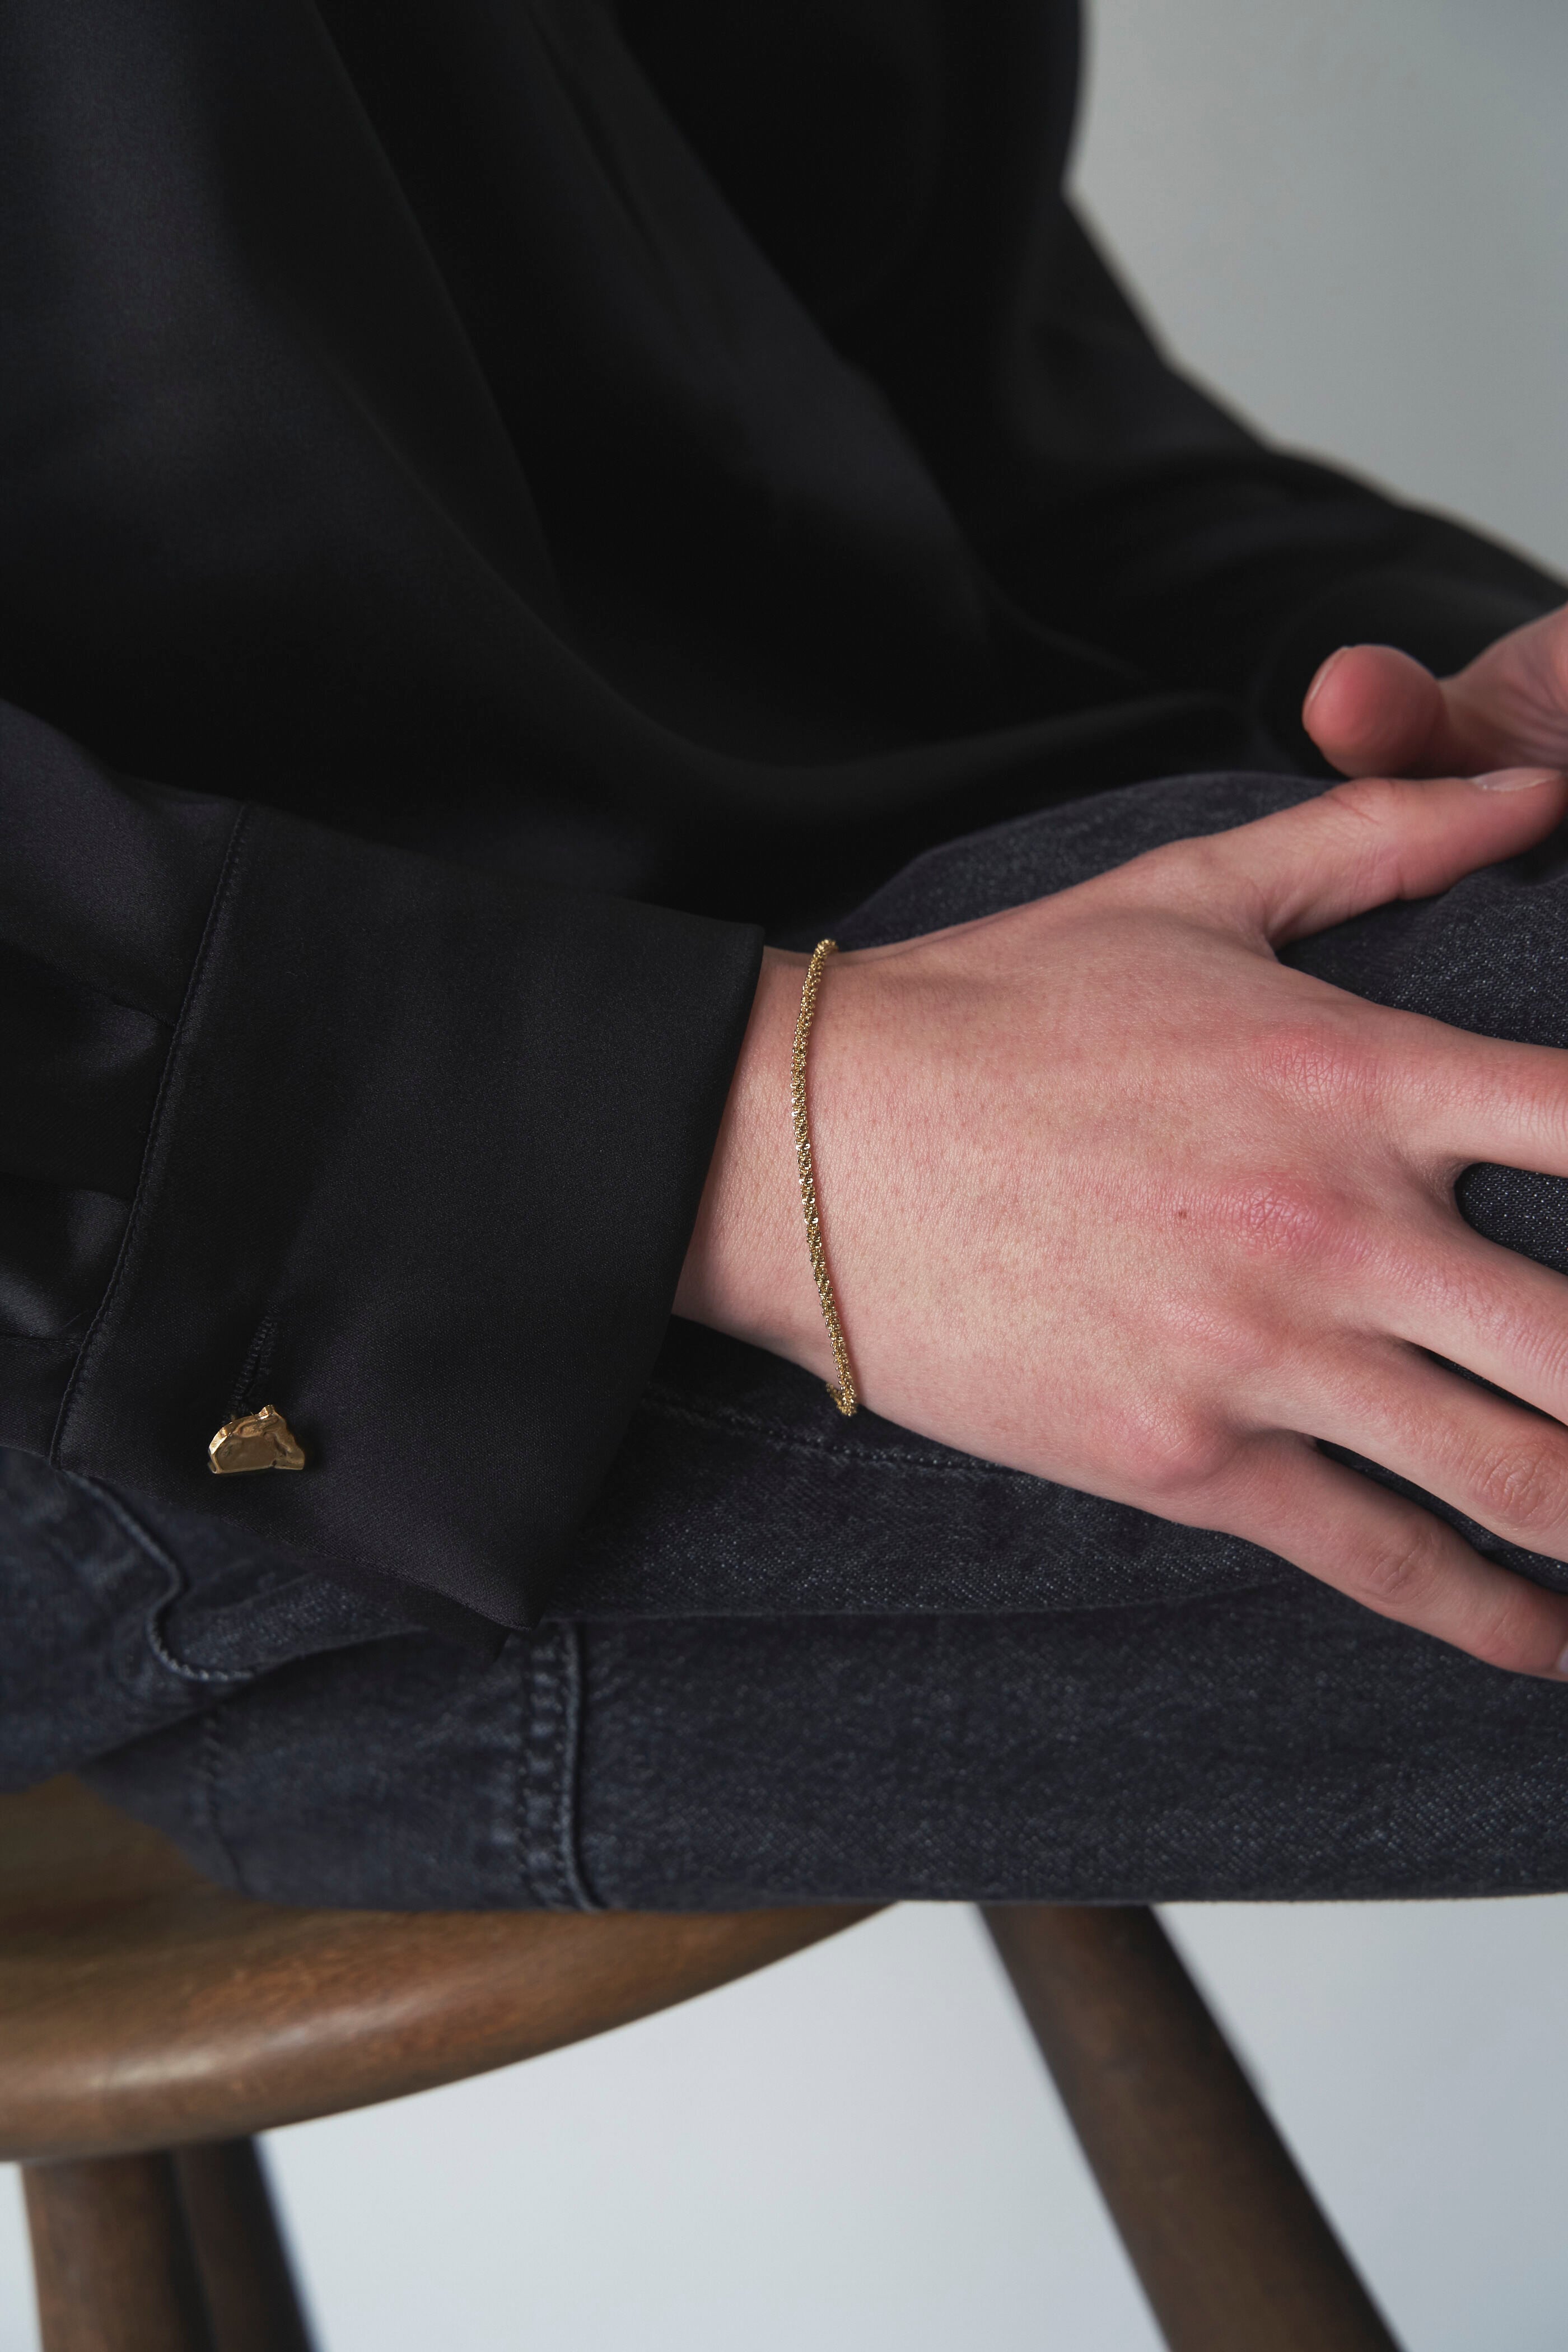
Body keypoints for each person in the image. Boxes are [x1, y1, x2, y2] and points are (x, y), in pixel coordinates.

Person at [7, 0, 1568, 1909]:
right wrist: (744, 1128)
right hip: (176, 1269)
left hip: (820, 946)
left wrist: (1437, 696)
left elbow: (970, 418)